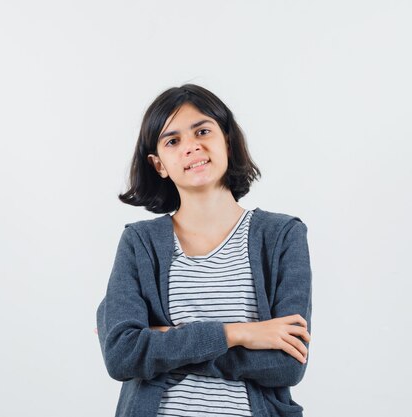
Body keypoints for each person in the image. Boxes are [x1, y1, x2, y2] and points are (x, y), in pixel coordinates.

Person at [96, 84, 313, 417]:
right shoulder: (139, 243)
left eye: (202, 131)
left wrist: (166, 343)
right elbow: (122, 355)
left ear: (226, 140)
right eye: (173, 141)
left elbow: (287, 365)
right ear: (159, 165)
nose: (191, 146)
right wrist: (238, 333)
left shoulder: (281, 236)